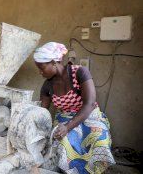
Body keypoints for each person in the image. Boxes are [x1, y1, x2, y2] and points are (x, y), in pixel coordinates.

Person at [33, 42, 115, 174]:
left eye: (42, 68)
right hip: (64, 118)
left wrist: (68, 127)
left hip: (89, 115)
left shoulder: (80, 73)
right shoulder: (47, 86)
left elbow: (89, 103)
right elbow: (43, 112)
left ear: (54, 62)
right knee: (64, 141)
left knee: (99, 137)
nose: (40, 72)